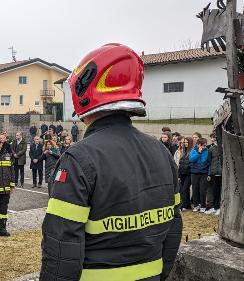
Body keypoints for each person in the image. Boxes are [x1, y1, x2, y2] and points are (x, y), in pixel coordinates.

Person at [40, 43, 181, 280]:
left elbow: (62, 246)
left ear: (84, 92)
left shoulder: (78, 159)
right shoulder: (162, 152)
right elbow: (173, 229)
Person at [189, 138, 209, 213]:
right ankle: (196, 205)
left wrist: (208, 173)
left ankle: (203, 205)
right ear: (198, 145)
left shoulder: (207, 151)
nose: (204, 147)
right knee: (195, 189)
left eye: (205, 145)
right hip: (194, 173)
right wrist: (199, 153)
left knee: (202, 190)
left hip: (204, 173)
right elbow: (191, 159)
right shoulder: (193, 150)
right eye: (202, 145)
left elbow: (206, 161)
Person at [206, 133, 222, 215]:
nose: (214, 139)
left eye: (215, 137)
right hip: (214, 173)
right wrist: (209, 174)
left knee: (221, 191)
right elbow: (209, 161)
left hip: (222, 174)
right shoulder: (211, 149)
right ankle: (215, 207)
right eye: (213, 138)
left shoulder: (224, 147)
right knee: (215, 191)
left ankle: (220, 207)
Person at [176, 137, 193, 211]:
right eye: (184, 142)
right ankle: (187, 205)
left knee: (185, 189)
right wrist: (179, 175)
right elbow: (180, 164)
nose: (185, 144)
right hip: (182, 173)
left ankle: (183, 205)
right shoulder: (183, 151)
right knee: (182, 189)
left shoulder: (192, 151)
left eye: (187, 142)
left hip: (188, 174)